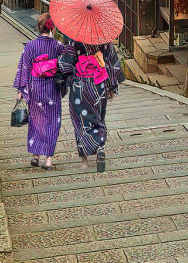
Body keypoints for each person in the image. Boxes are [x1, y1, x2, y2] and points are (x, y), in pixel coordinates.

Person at [58, 34, 123, 171]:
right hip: (98, 84)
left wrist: (67, 79)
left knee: (80, 120)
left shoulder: (74, 39)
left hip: (80, 85)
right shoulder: (104, 39)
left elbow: (65, 66)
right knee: (98, 117)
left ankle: (84, 161)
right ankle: (100, 149)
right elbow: (112, 63)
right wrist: (111, 86)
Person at [12, 15, 68, 169]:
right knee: (52, 122)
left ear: (39, 28)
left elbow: (24, 68)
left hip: (35, 87)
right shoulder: (58, 46)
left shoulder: (30, 45)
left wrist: (21, 90)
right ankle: (48, 160)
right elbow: (64, 68)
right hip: (51, 88)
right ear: (52, 28)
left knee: (36, 121)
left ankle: (35, 156)